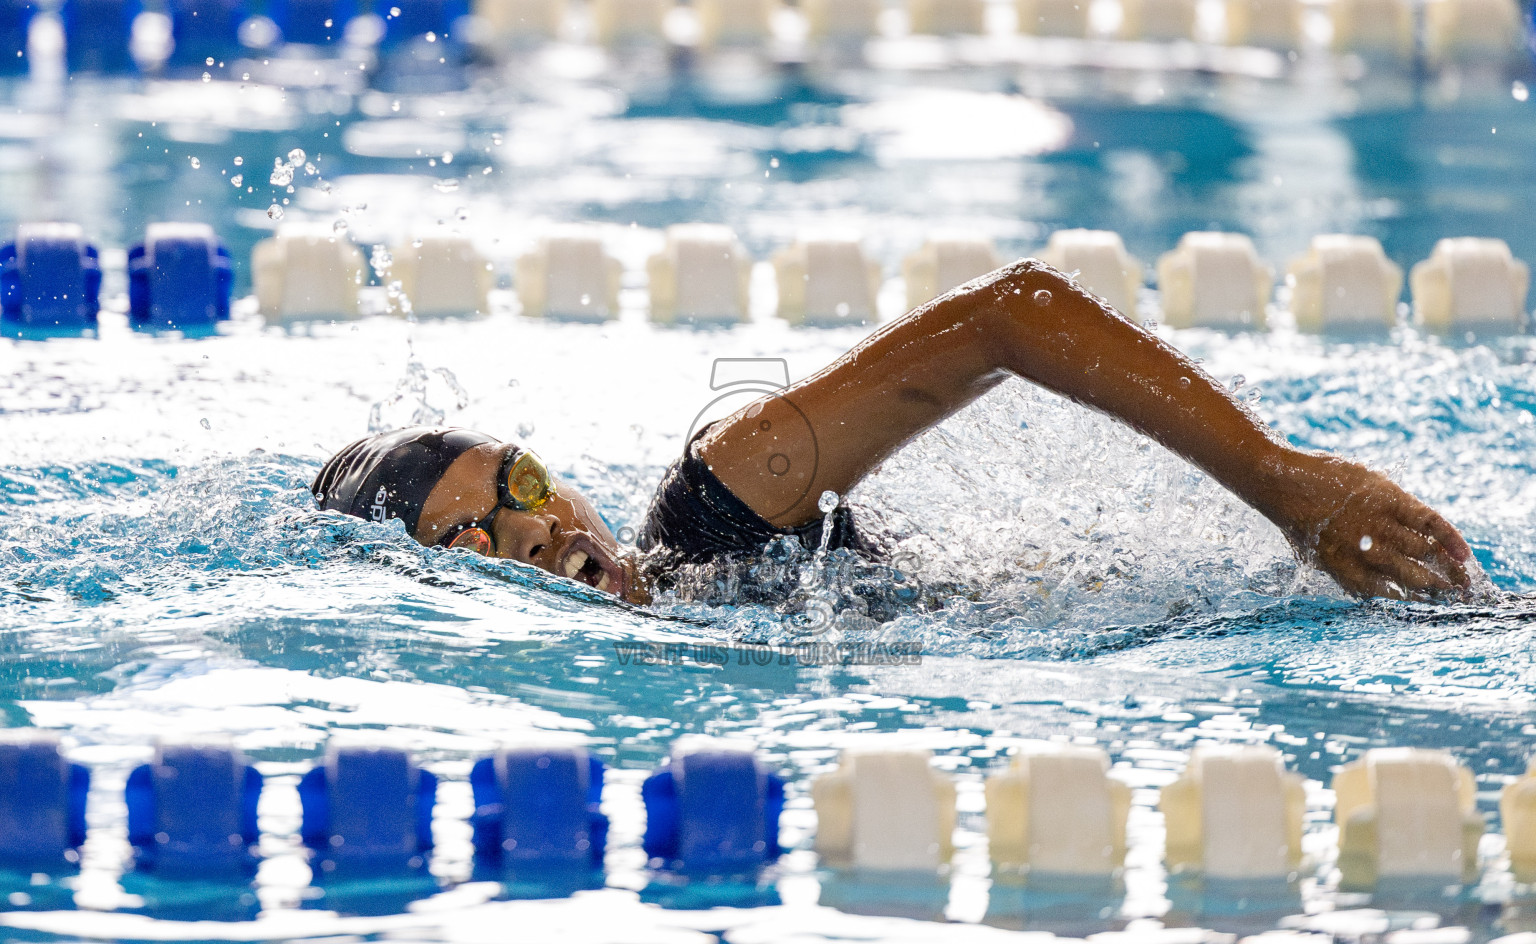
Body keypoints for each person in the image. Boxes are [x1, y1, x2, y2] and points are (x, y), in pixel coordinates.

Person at [312, 259, 1475, 606]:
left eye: (518, 481)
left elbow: (1011, 315)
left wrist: (1282, 483)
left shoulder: (715, 510)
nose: (528, 530)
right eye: (468, 536)